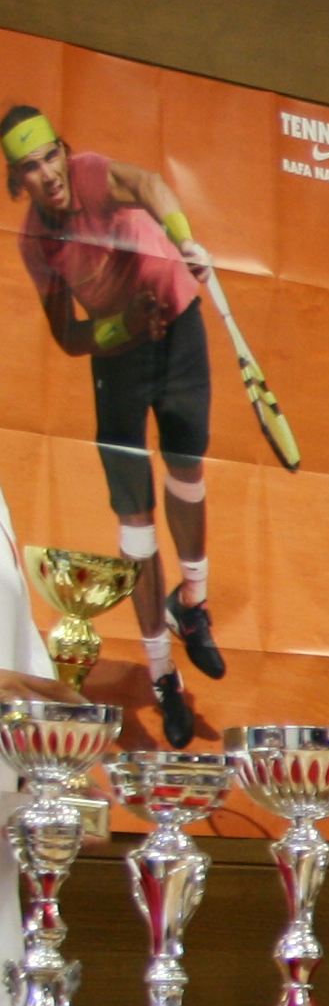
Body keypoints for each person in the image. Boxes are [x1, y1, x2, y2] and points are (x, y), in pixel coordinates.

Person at [6, 106, 227, 745]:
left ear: (63, 151)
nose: (49, 174)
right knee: (135, 522)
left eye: (51, 155)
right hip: (119, 360)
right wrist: (122, 326)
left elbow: (151, 185)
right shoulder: (34, 242)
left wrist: (185, 240)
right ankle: (163, 677)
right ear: (18, 182)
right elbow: (68, 335)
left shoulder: (91, 174)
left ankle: (193, 603)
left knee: (187, 472)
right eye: (31, 167)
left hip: (178, 323)